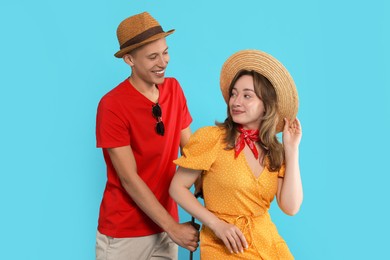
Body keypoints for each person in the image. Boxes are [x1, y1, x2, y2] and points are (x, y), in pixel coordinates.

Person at [169, 50, 303, 259]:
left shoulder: (275, 151)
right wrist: (216, 224)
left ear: (266, 105)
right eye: (234, 93)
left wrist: (292, 150)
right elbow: (177, 188)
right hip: (223, 246)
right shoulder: (211, 138)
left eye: (247, 95)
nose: (236, 101)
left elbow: (291, 207)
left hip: (268, 246)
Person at [95, 12, 199, 260]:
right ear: (129, 59)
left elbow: (192, 154)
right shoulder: (112, 105)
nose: (163, 62)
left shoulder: (174, 89)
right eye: (152, 57)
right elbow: (128, 178)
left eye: (165, 52)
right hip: (124, 233)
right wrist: (173, 228)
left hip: (166, 227)